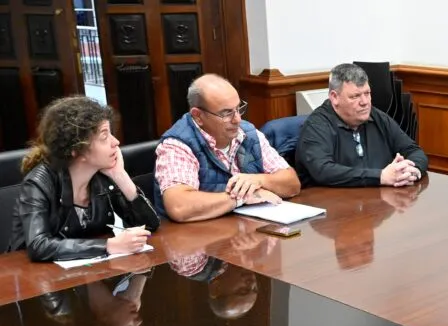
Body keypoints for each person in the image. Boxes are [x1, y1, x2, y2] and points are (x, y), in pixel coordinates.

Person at [9, 96, 159, 262]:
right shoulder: (39, 182)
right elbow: (39, 246)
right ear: (76, 150)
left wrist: (120, 175)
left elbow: (150, 226)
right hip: (33, 279)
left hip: (87, 274)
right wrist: (108, 246)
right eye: (104, 137)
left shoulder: (102, 175)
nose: (116, 142)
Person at [153, 74, 301, 222]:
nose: (237, 119)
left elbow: (292, 184)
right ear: (198, 116)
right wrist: (242, 197)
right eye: (226, 113)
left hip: (244, 230)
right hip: (196, 238)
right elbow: (179, 207)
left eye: (238, 108)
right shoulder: (177, 145)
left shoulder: (248, 133)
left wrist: (260, 180)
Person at [295, 63, 428, 187]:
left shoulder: (377, 117)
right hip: (334, 204)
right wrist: (380, 176)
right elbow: (323, 170)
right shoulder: (316, 126)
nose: (365, 102)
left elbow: (414, 150)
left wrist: (411, 171)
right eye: (355, 96)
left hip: (378, 202)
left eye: (367, 93)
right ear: (334, 97)